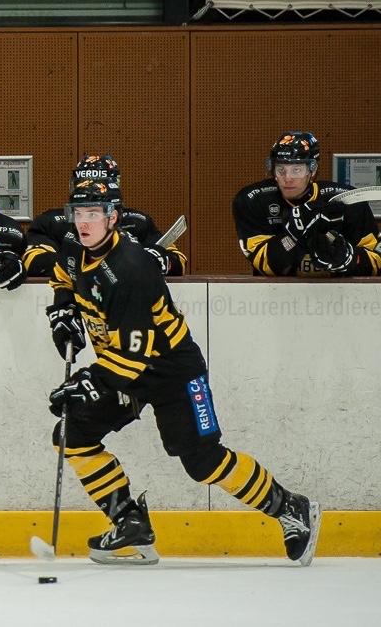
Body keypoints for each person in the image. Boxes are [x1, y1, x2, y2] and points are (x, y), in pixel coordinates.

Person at [45, 178, 320, 566]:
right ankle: (130, 524)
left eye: (93, 213)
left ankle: (291, 507)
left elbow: (132, 357)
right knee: (72, 435)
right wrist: (63, 310)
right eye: (79, 213)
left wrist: (89, 383)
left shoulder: (131, 270)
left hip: (173, 369)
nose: (84, 222)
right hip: (123, 368)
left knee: (202, 461)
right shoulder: (74, 247)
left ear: (113, 217)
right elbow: (63, 275)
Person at [233, 130, 381, 277]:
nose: (288, 178)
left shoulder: (347, 202)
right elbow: (265, 265)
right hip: (274, 292)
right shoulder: (254, 200)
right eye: (281, 169)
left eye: (296, 170)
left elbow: (377, 260)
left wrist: (349, 258)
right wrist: (295, 232)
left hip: (341, 292)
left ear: (313, 170)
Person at [24, 154, 186, 277]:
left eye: (99, 185)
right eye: (84, 184)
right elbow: (32, 261)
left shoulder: (137, 221)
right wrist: (88, 262)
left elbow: (179, 260)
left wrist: (158, 259)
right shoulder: (51, 222)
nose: (91, 191)